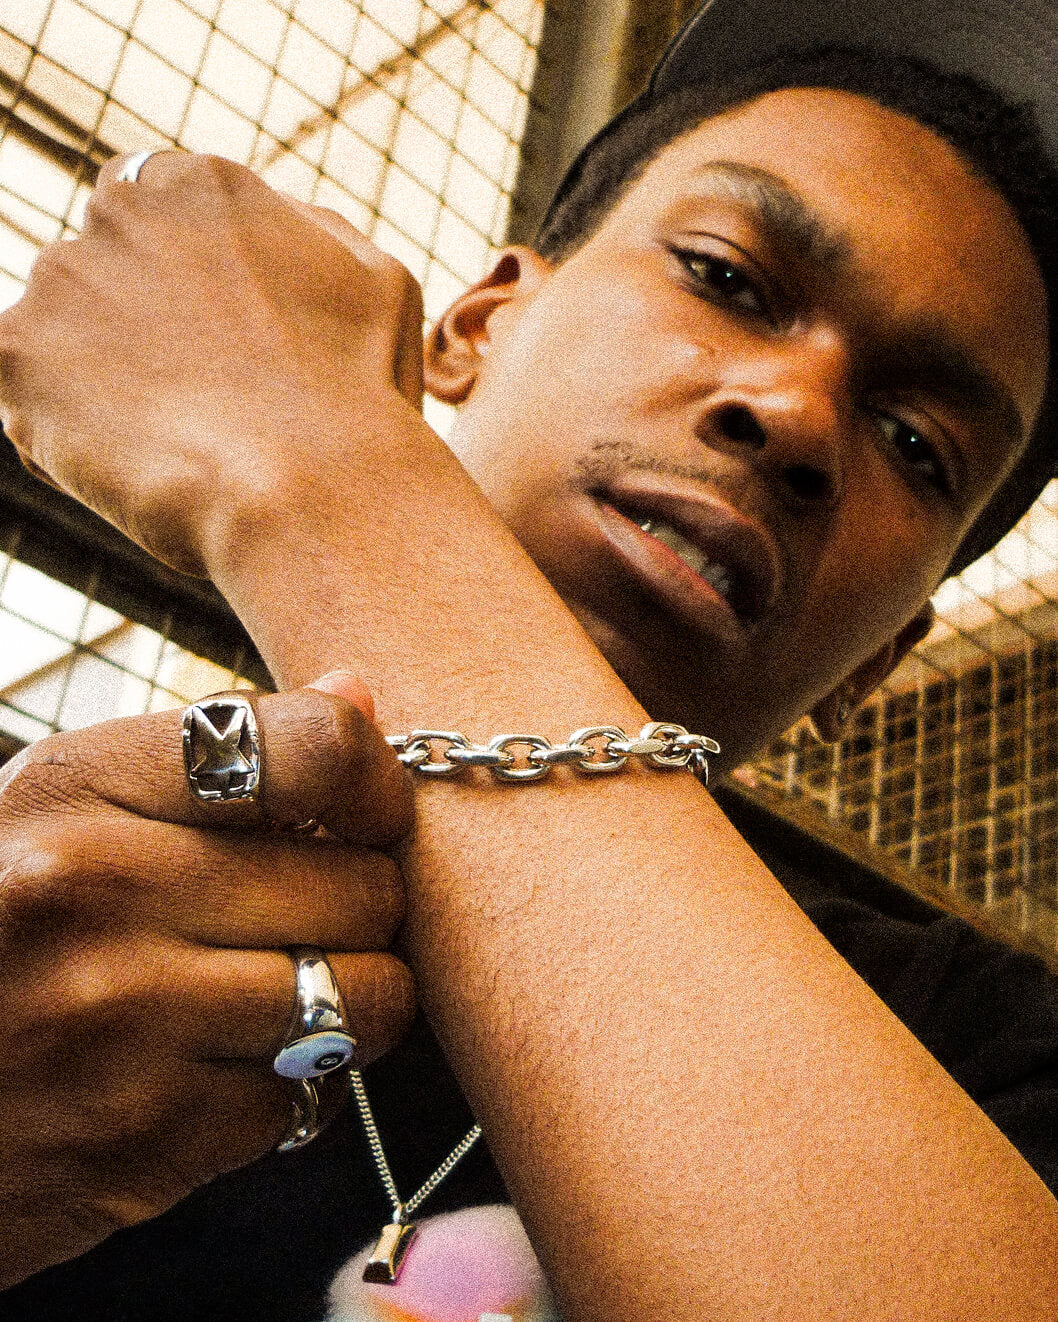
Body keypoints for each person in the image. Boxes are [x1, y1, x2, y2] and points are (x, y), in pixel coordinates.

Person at [1, 0, 1057, 1317]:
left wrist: (318, 468)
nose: (795, 415)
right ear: (476, 324)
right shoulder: (44, 876)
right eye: (724, 278)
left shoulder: (979, 1052)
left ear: (878, 659)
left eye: (917, 446)